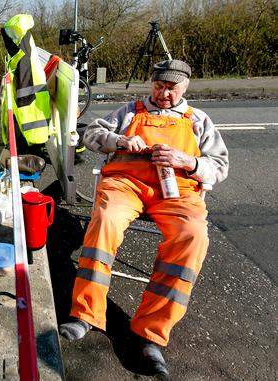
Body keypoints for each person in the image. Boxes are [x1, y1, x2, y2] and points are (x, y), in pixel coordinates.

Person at [59, 60, 229, 378]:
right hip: (126, 184)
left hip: (176, 191)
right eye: (159, 86)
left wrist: (189, 162)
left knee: (193, 236)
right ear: (152, 84)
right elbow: (91, 135)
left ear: (185, 88)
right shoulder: (129, 110)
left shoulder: (198, 121)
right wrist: (120, 141)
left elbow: (219, 166)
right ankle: (85, 313)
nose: (163, 93)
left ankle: (150, 334)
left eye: (171, 88)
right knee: (105, 220)